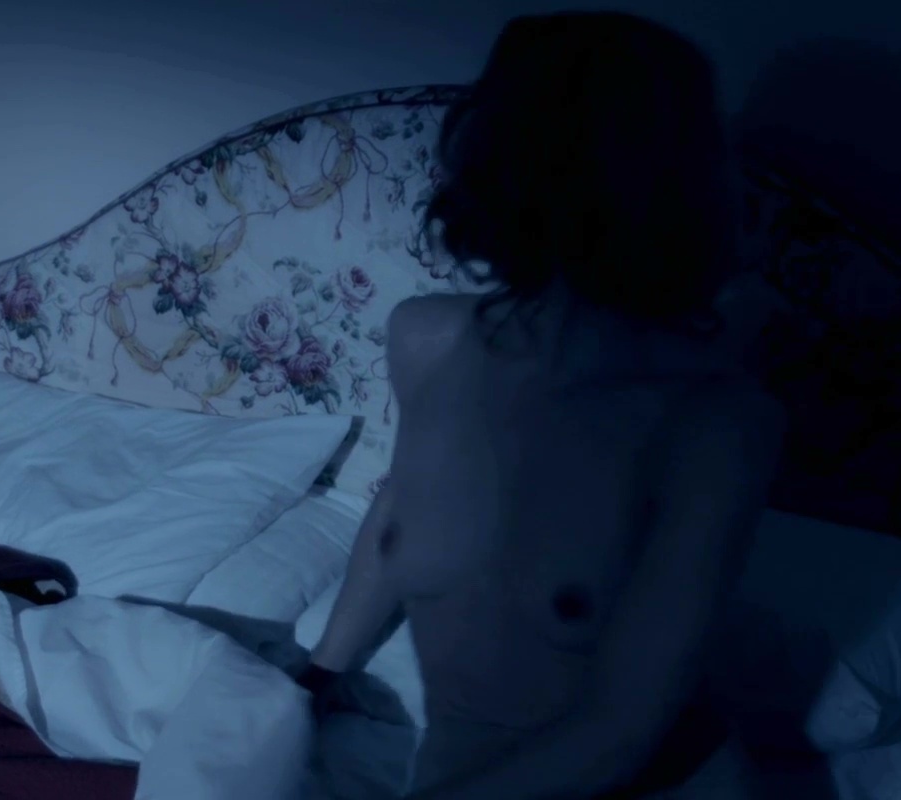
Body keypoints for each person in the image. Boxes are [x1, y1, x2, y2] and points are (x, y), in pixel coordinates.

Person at [301, 12, 783, 799]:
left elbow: (620, 727)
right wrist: (314, 679)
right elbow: (401, 513)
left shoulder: (713, 422)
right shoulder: (427, 338)